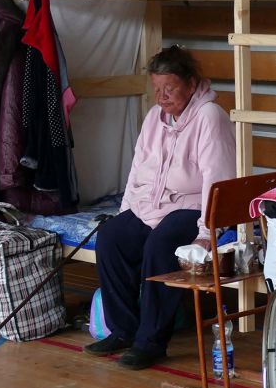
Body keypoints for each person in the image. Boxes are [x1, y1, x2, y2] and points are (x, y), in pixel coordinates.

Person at [85, 45, 236, 370]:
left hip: (194, 208)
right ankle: (123, 329)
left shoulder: (210, 117)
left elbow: (217, 178)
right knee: (111, 237)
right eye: (157, 89)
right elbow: (138, 168)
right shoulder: (155, 117)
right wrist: (126, 212)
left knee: (159, 246)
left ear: (192, 84)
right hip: (150, 207)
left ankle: (151, 342)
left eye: (170, 88)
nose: (162, 96)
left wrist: (207, 232)